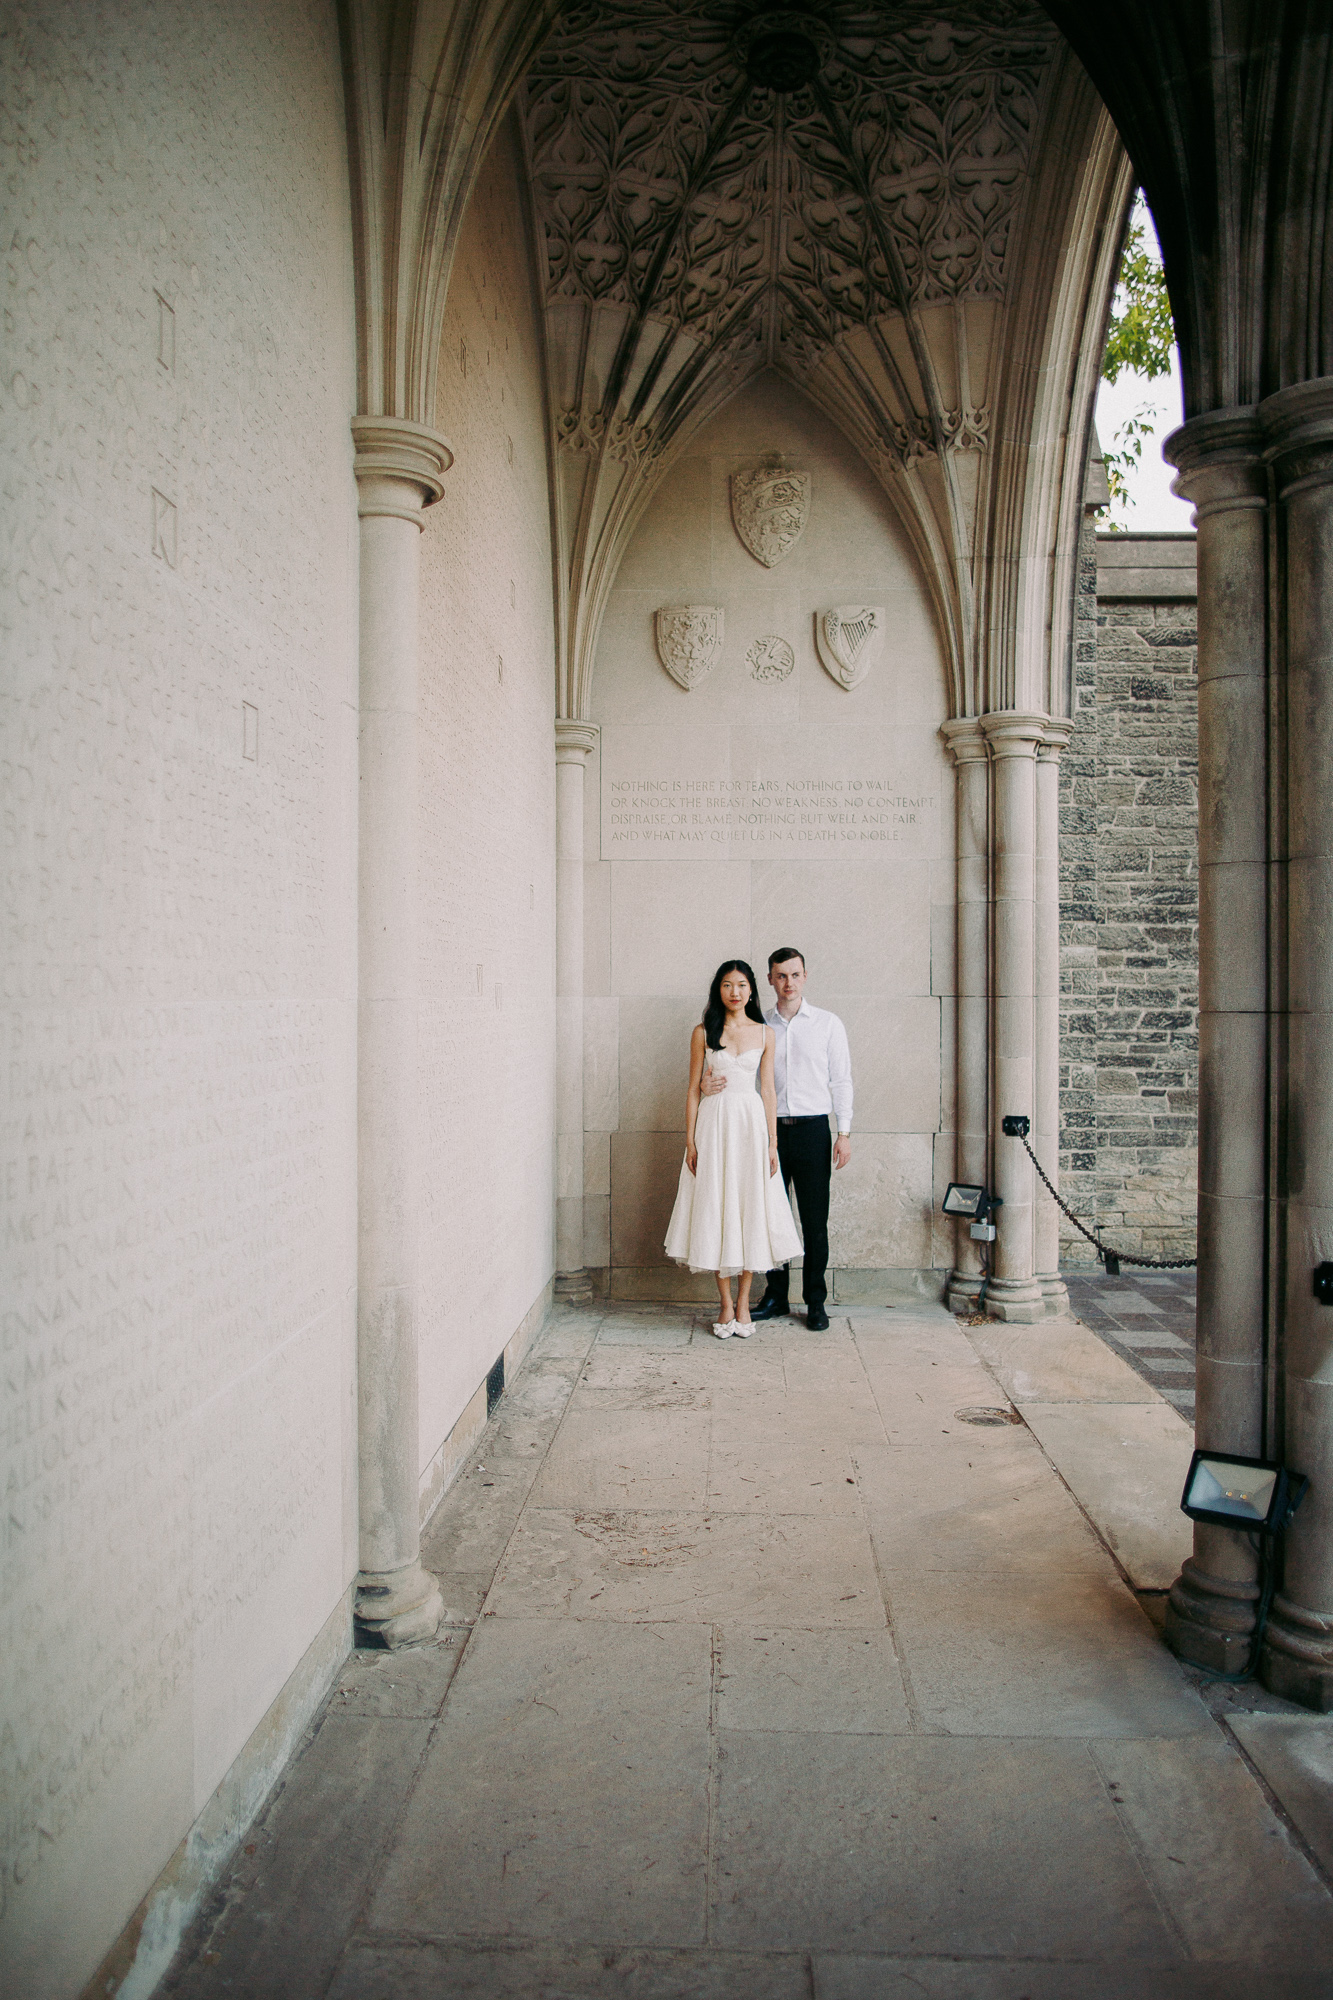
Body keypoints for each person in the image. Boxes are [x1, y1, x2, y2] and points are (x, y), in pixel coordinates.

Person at [702, 946, 851, 1330]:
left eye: (795, 975)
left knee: (814, 1221)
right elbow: (733, 1072)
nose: (788, 982)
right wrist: (706, 1081)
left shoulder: (827, 1023)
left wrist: (844, 1131)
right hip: (764, 1132)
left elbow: (841, 1080)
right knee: (765, 1214)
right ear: (768, 980)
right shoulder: (758, 1025)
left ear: (805, 976)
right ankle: (776, 1296)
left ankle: (815, 1302)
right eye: (780, 975)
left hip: (814, 1129)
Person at [664, 960, 803, 1338]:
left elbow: (769, 1091)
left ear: (752, 990)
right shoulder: (703, 1032)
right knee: (716, 1205)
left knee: (748, 1207)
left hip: (751, 1126)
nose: (735, 992)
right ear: (719, 990)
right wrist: (689, 1140)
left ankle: (744, 1303)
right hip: (715, 1125)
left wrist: (772, 1143)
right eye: (727, 985)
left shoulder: (764, 1033)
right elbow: (693, 1089)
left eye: (741, 984)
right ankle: (725, 1303)